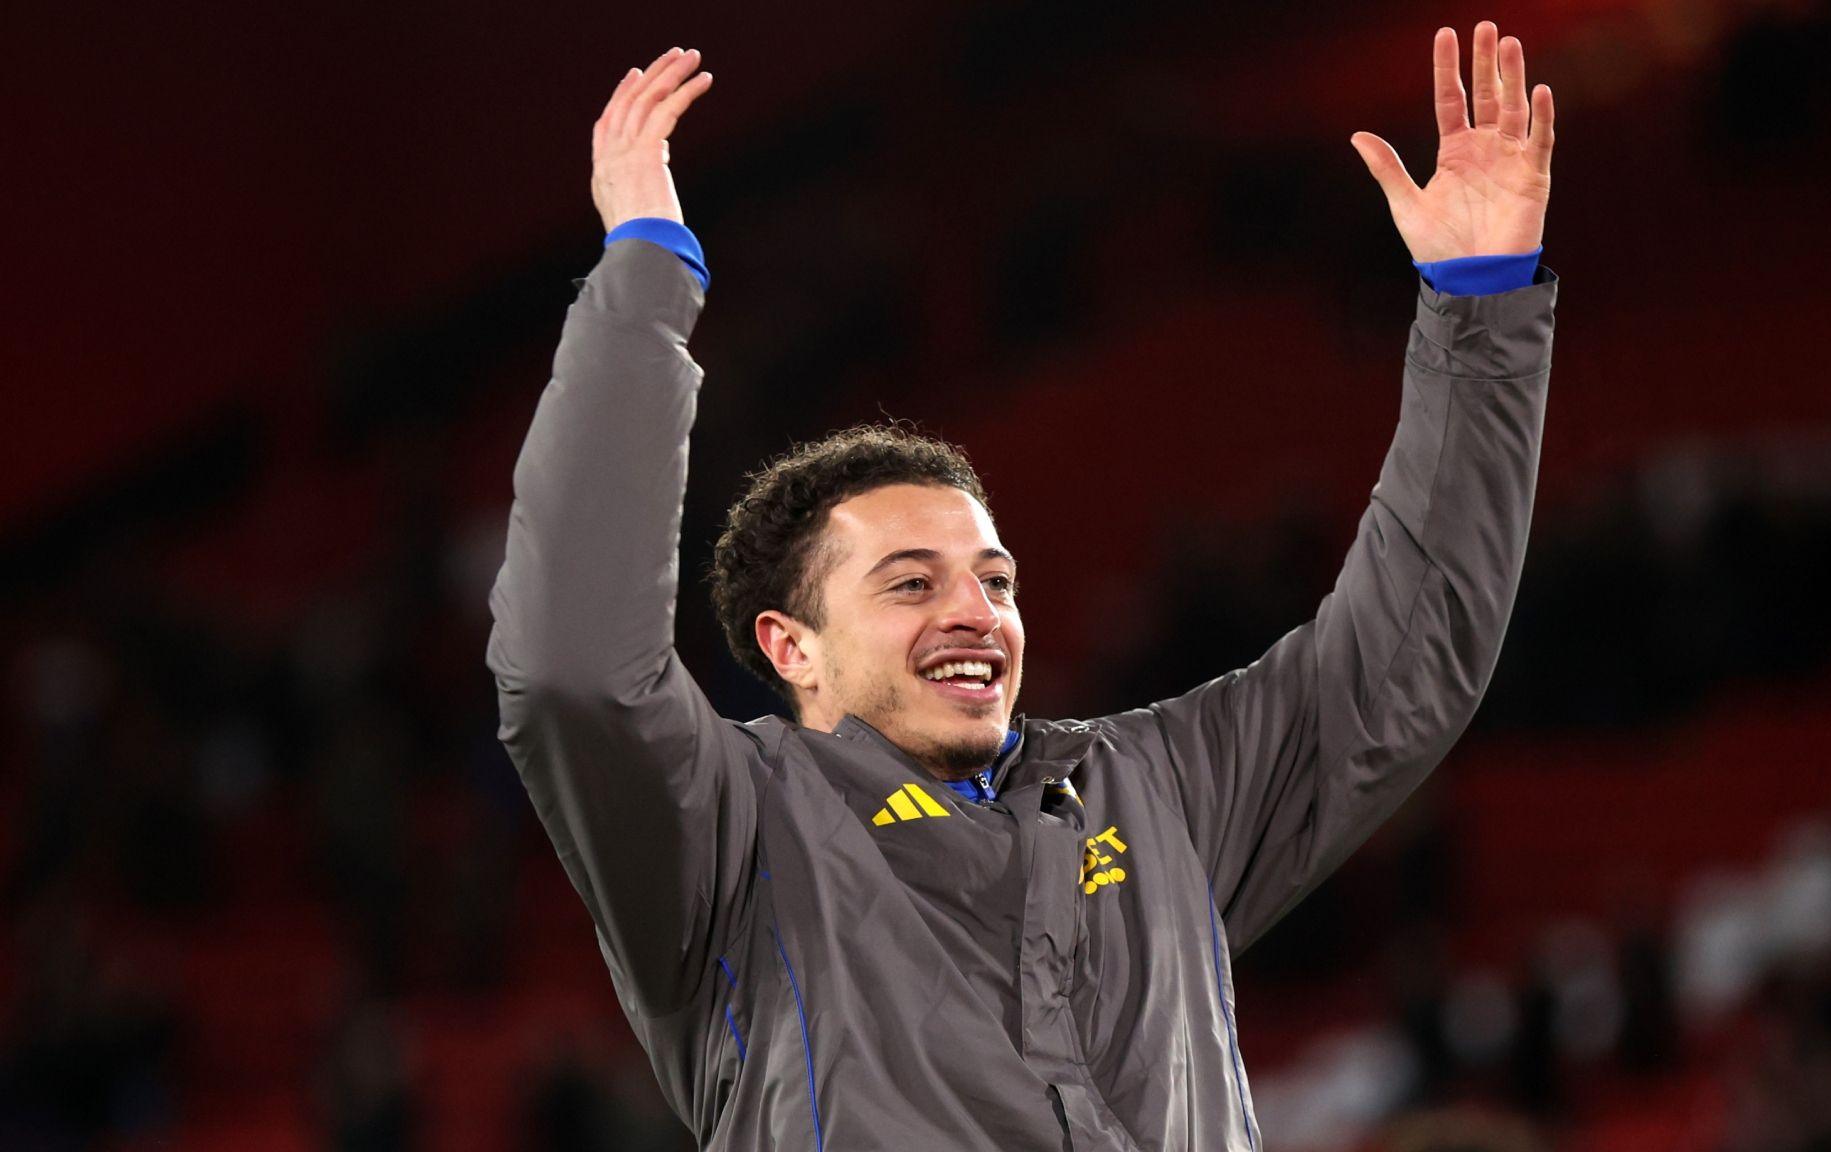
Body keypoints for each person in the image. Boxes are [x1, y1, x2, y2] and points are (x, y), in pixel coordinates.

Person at [488, 21, 1557, 1150]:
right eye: (909, 584)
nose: (973, 611)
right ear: (789, 645)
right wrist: (646, 271)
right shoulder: (728, 833)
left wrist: (1479, 308)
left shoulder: (1154, 792)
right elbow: (572, 676)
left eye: (992, 580)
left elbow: (1407, 657)